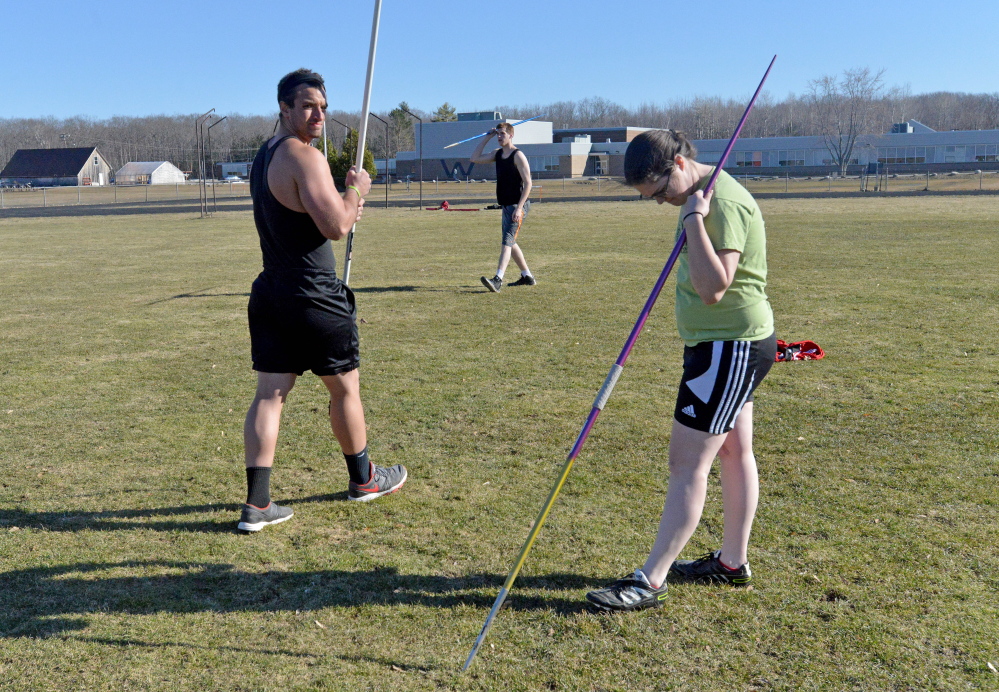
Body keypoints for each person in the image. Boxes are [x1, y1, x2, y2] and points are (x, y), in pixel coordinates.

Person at [586, 130, 776, 610]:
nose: (659, 203)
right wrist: (689, 212)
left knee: (687, 464)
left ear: (676, 166)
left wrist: (692, 219)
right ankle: (732, 563)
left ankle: (649, 581)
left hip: (726, 347)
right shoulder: (699, 195)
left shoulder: (720, 203)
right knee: (735, 452)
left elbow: (714, 287)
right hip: (720, 345)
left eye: (659, 193)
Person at [238, 68, 407, 533]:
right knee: (344, 389)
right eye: (309, 106)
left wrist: (342, 197)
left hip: (272, 292)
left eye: (324, 108)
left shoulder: (264, 156)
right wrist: (356, 190)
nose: (319, 116)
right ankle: (365, 479)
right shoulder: (303, 156)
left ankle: (257, 506)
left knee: (270, 394)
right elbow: (336, 224)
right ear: (284, 108)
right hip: (311, 294)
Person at [469, 122, 536, 292]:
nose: (499, 137)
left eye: (502, 134)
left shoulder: (518, 155)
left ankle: (498, 279)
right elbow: (474, 158)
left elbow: (528, 183)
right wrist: (487, 137)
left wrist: (519, 208)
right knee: (510, 242)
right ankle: (527, 276)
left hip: (517, 206)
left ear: (511, 135)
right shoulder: (497, 154)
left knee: (507, 242)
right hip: (505, 205)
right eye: (498, 134)